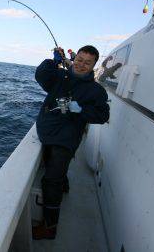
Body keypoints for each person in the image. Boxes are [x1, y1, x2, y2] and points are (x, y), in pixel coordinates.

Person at [33, 45, 110, 240]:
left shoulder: (96, 91)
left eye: (87, 62)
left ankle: (49, 227)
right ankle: (64, 182)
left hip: (67, 137)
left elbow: (102, 115)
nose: (81, 65)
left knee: (51, 181)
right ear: (74, 59)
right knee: (51, 162)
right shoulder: (59, 77)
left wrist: (80, 110)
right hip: (47, 130)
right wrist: (54, 61)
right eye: (80, 60)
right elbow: (41, 75)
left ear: (94, 65)